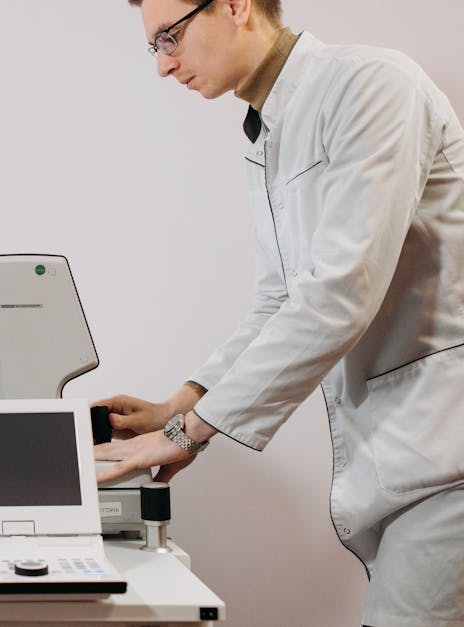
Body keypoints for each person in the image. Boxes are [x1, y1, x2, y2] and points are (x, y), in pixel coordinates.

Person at [96, 1, 464, 625]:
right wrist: (180, 404)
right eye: (153, 46)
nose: (163, 65)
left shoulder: (372, 85)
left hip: (445, 449)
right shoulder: (268, 135)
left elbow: (338, 293)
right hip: (396, 456)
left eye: (170, 36)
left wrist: (190, 432)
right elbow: (281, 299)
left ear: (236, 6)